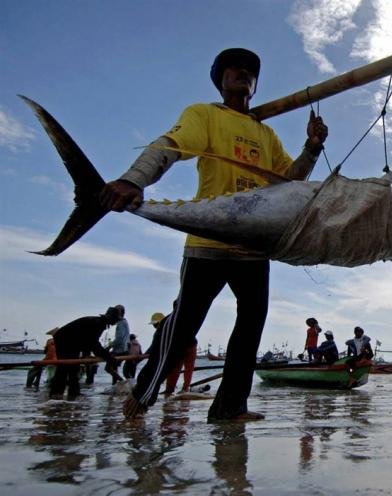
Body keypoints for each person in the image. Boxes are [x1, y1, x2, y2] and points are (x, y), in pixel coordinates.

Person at [99, 47, 328, 421]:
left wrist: (312, 148)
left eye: (249, 71)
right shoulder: (204, 115)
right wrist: (133, 179)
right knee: (183, 326)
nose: (243, 73)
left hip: (254, 244)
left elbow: (290, 180)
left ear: (255, 85)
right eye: (233, 69)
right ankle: (142, 394)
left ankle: (230, 407)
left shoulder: (265, 133)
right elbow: (170, 146)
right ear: (220, 81)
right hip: (208, 241)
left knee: (250, 328)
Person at [50, 306, 120, 399]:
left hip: (71, 341)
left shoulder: (98, 322)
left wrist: (91, 354)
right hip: (64, 339)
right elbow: (93, 343)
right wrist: (108, 357)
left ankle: (72, 394)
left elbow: (88, 341)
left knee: (73, 369)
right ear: (111, 318)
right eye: (116, 320)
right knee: (64, 367)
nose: (116, 322)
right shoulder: (98, 323)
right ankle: (57, 395)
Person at [109, 304, 130, 384]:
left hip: (119, 350)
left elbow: (119, 338)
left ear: (119, 312)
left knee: (108, 368)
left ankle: (123, 382)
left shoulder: (121, 323)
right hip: (124, 349)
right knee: (114, 368)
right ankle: (115, 386)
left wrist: (109, 346)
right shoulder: (125, 322)